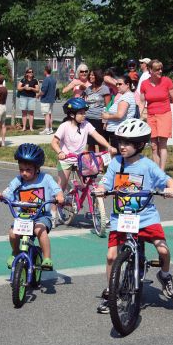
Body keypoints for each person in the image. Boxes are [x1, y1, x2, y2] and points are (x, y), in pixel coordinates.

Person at [96, 119, 173, 314]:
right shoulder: (116, 163)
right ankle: (112, 292)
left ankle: (165, 275)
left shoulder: (147, 165)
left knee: (164, 251)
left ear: (140, 144)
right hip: (121, 218)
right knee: (111, 256)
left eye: (127, 143)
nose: (121, 146)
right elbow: (106, 182)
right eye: (120, 142)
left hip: (146, 217)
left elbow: (166, 179)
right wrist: (101, 188)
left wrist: (171, 188)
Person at [0, 143, 64, 271]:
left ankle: (47, 258)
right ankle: (15, 252)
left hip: (41, 217)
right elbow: (8, 191)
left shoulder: (46, 179)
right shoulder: (18, 181)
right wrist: (2, 196)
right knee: (13, 233)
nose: (24, 173)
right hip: (23, 217)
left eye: (28, 170)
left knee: (39, 231)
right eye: (21, 169)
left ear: (37, 168)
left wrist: (59, 196)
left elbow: (56, 189)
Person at [51, 98, 116, 227]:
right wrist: (60, 152)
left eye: (84, 112)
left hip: (82, 159)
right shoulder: (65, 126)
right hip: (67, 159)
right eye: (81, 113)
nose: (84, 115)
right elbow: (54, 142)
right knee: (60, 187)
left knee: (90, 185)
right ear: (72, 115)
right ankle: (52, 214)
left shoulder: (86, 124)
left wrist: (108, 146)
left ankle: (99, 212)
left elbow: (97, 136)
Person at [140, 59, 173, 171]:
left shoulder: (167, 81)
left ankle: (161, 172)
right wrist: (139, 117)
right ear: (150, 70)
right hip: (151, 116)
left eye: (161, 69)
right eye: (157, 69)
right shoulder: (144, 84)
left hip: (165, 114)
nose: (160, 71)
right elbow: (142, 103)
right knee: (153, 146)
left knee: (162, 144)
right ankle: (156, 171)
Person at [102, 75, 136, 149]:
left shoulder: (126, 97)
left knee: (118, 156)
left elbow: (119, 115)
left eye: (120, 84)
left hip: (118, 131)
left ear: (127, 85)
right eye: (117, 84)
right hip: (117, 130)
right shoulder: (126, 96)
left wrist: (107, 117)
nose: (117, 86)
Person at [84, 69, 111, 152]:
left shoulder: (104, 89)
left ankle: (102, 164)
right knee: (90, 144)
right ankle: (92, 163)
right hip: (88, 119)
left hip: (99, 119)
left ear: (98, 76)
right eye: (90, 75)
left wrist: (105, 121)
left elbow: (108, 106)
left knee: (101, 144)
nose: (90, 76)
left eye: (93, 75)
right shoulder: (88, 89)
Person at [39, 66, 56, 135]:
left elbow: (43, 91)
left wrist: (38, 95)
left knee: (46, 115)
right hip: (51, 99)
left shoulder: (46, 79)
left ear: (46, 71)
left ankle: (47, 129)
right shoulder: (53, 79)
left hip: (45, 99)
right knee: (50, 114)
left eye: (44, 70)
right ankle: (50, 128)